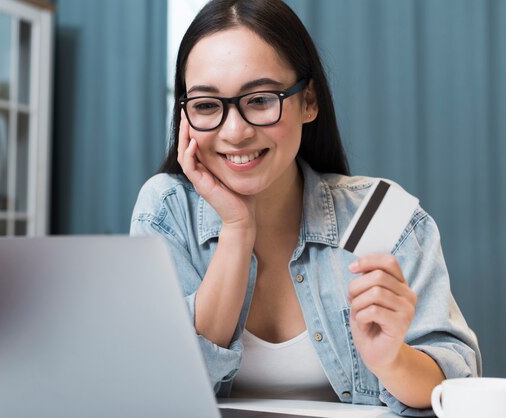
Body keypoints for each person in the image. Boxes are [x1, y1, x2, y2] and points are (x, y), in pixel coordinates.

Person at [130, 0, 481, 415]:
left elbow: (457, 385)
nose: (235, 131)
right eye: (207, 105)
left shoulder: (381, 212)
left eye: (260, 99)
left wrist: (390, 359)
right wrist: (237, 228)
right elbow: (163, 387)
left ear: (308, 101)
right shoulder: (167, 209)